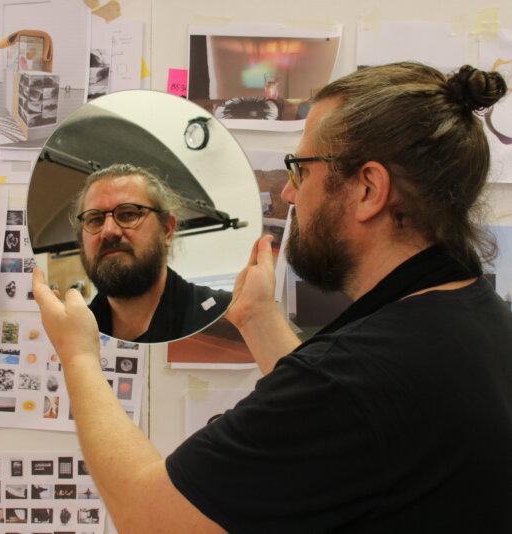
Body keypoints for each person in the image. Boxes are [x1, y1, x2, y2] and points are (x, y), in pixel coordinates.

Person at [32, 62, 512, 533]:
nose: (287, 194)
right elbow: (349, 423)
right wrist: (259, 318)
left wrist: (78, 356)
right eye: (93, 219)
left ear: (368, 189)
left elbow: (149, 519)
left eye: (300, 171)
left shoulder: (354, 376)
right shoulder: (482, 323)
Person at [72, 163, 232, 343]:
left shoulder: (226, 318)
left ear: (166, 230)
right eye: (95, 220)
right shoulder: (73, 336)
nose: (108, 231)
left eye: (128, 214)